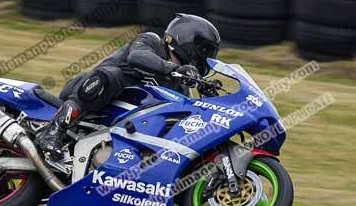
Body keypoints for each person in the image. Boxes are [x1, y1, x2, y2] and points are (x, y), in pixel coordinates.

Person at [35, 14, 221, 161]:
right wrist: (175, 69)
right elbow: (137, 57)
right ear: (188, 41)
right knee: (113, 76)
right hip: (88, 92)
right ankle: (53, 131)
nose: (206, 57)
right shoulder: (151, 41)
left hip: (117, 120)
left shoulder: (180, 85)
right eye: (205, 51)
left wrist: (209, 97)